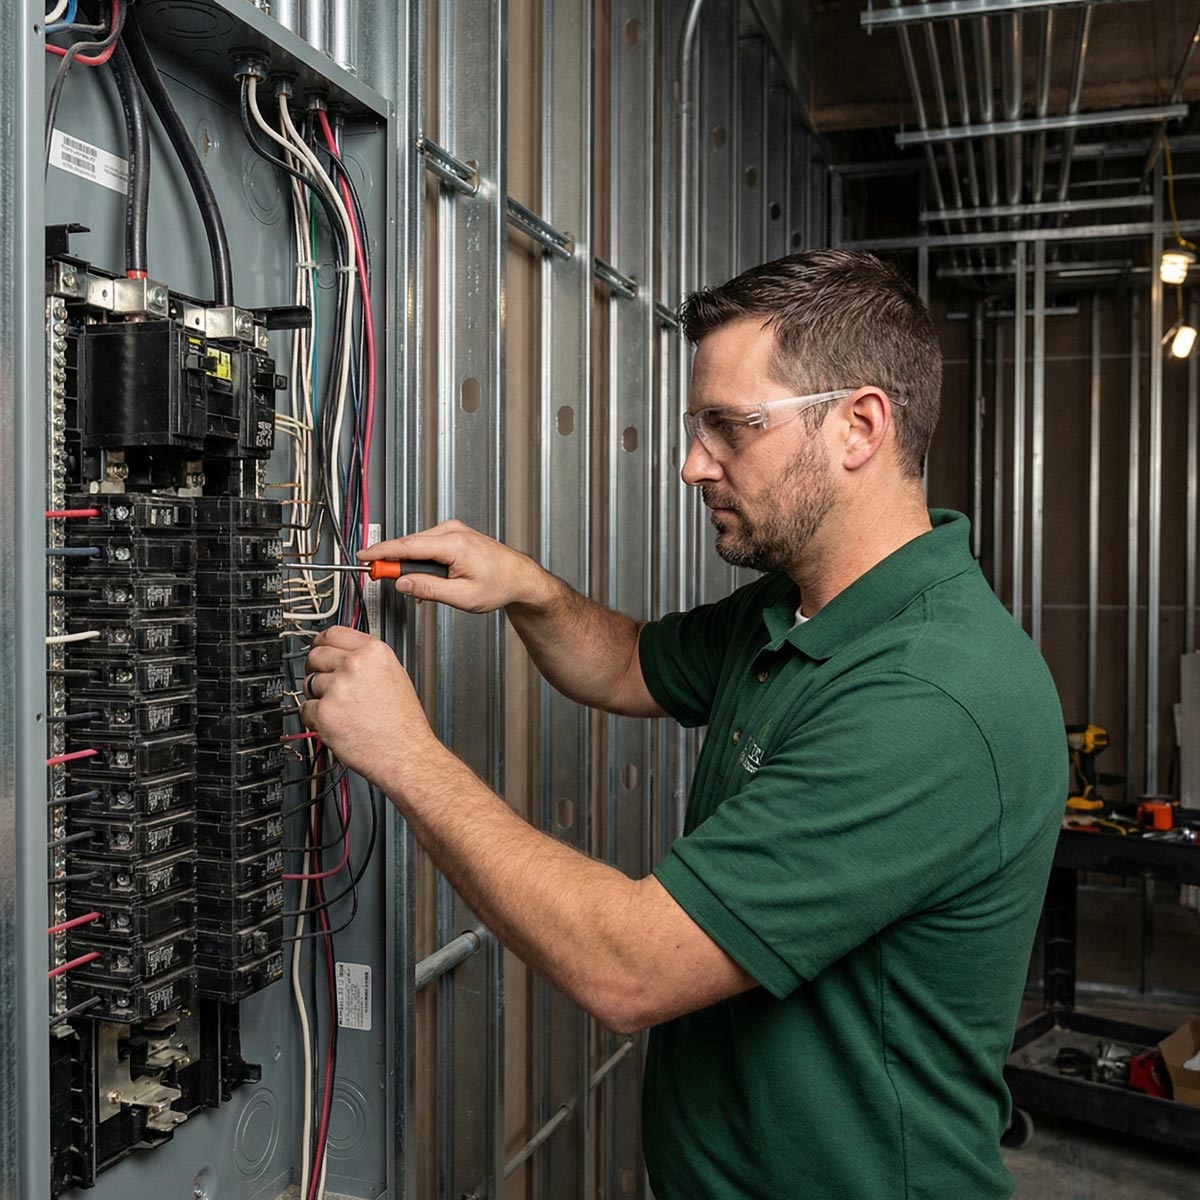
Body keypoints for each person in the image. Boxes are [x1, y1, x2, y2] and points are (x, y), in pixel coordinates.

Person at [300, 250, 1066, 1199]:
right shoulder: (800, 605)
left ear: (859, 426)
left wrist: (407, 757)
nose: (692, 463)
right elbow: (626, 663)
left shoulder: (931, 699)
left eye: (729, 427)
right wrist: (526, 589)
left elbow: (629, 969)